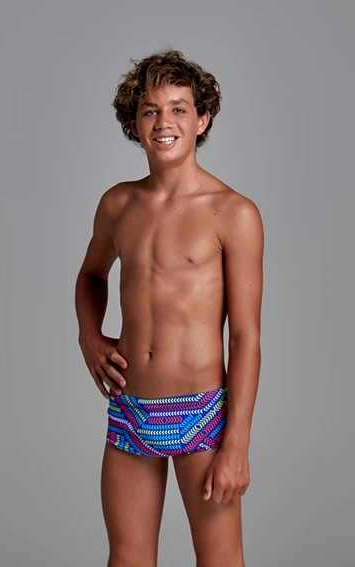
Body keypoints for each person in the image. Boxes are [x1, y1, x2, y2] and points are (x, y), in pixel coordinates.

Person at [75, 49, 264, 567]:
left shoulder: (233, 213)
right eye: (151, 110)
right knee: (128, 558)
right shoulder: (118, 204)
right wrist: (89, 335)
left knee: (220, 559)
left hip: (202, 415)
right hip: (131, 408)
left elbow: (245, 337)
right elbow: (91, 275)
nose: (164, 122)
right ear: (134, 123)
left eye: (179, 109)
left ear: (202, 120)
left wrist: (237, 443)